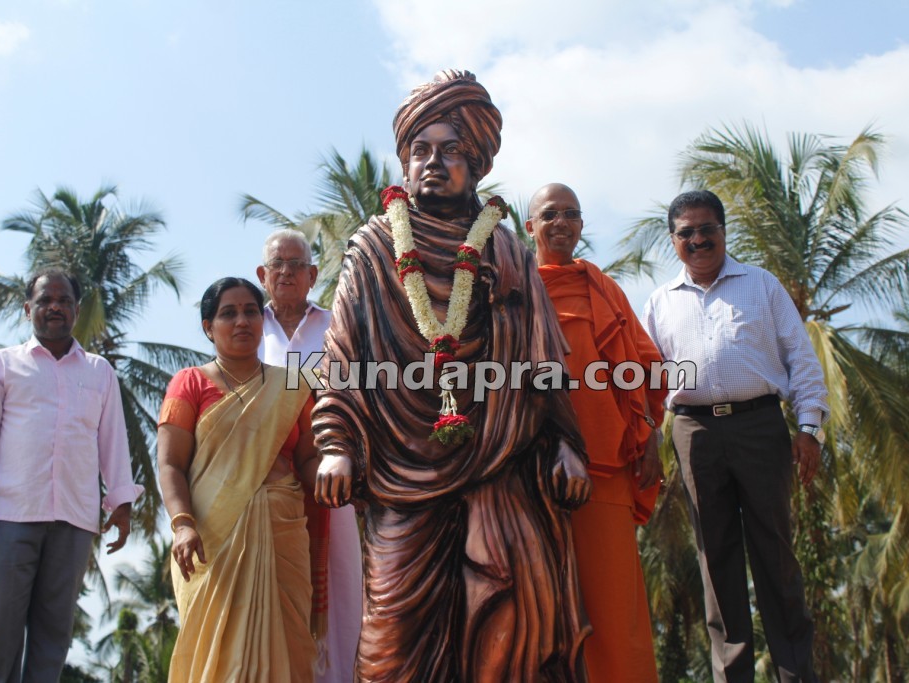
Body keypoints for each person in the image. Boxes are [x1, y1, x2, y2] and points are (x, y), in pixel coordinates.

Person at [312, 70, 592, 682]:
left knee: (504, 619)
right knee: (390, 650)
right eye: (421, 151)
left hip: (499, 456)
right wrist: (335, 446)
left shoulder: (507, 250)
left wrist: (566, 443)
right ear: (405, 161)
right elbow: (341, 357)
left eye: (451, 151)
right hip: (398, 466)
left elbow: (545, 360)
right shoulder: (375, 248)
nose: (433, 163)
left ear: (478, 164)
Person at [642, 190, 827, 682]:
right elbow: (646, 381)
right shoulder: (660, 303)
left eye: (708, 229)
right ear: (673, 240)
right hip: (693, 431)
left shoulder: (761, 286)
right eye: (687, 232)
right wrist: (645, 437)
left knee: (775, 553)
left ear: (724, 231)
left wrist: (809, 429)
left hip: (760, 426)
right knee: (716, 560)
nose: (698, 239)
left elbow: (801, 362)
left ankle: (795, 675)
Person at [0, 268, 143, 682]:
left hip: (74, 520)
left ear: (77, 311)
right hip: (11, 516)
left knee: (53, 635)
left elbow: (112, 440)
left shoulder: (99, 372)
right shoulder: (1, 366)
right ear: (28, 309)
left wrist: (122, 504)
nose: (55, 307)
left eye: (64, 301)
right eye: (45, 300)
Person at [527, 182, 664, 682]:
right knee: (538, 617)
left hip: (605, 464)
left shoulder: (604, 289)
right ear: (530, 227)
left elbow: (645, 368)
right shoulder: (509, 289)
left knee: (613, 612)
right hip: (529, 472)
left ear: (582, 226)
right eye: (549, 215)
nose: (560, 223)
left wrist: (648, 433)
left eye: (570, 214)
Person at [158, 277, 321, 683]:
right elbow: (170, 465)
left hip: (283, 531)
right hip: (213, 539)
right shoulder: (190, 383)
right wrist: (182, 525)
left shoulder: (292, 384)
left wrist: (341, 476)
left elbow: (309, 459)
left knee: (288, 644)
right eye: (228, 313)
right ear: (208, 327)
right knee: (218, 655)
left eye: (251, 311)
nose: (242, 321)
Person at [257, 229, 363, 683]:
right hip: (262, 478)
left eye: (296, 264)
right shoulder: (244, 322)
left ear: (314, 275)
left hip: (330, 469)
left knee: (342, 579)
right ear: (262, 274)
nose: (286, 272)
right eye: (277, 264)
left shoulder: (337, 324)